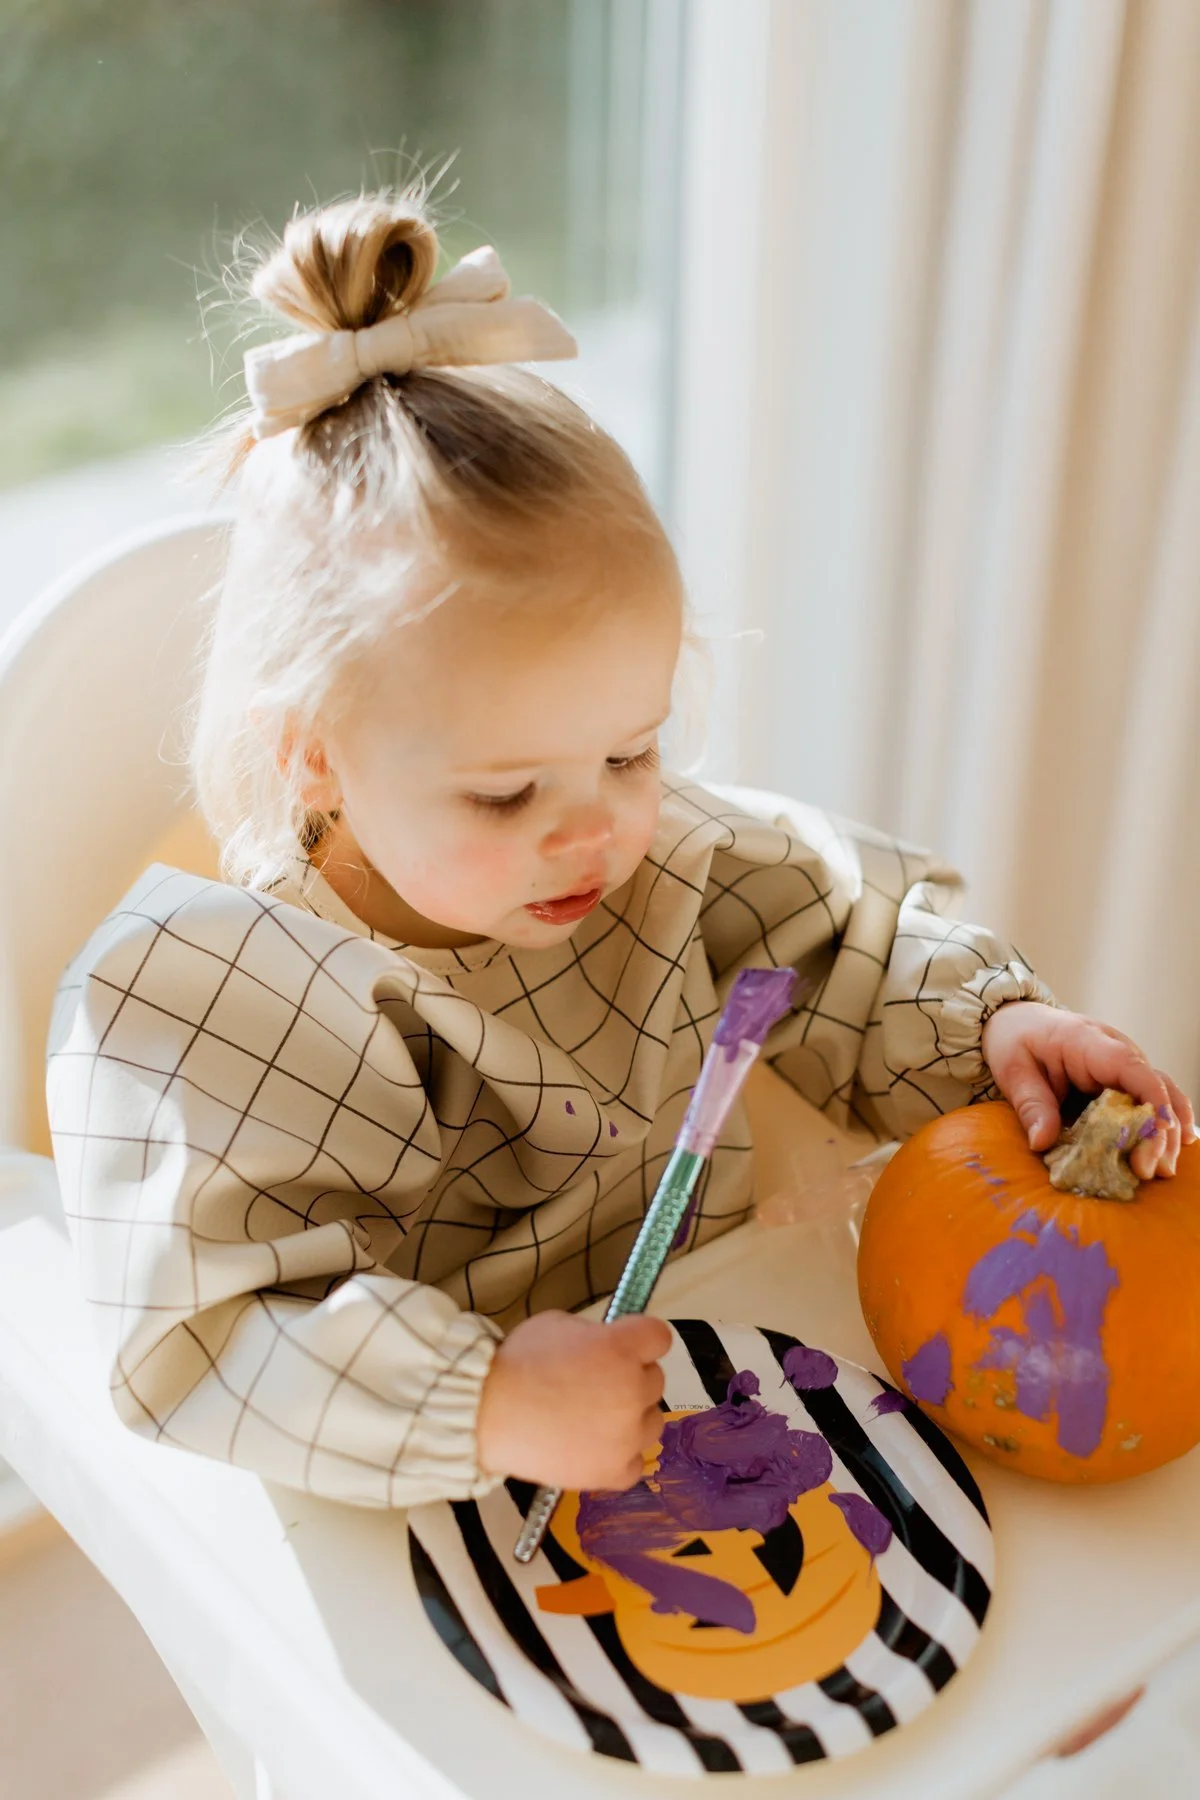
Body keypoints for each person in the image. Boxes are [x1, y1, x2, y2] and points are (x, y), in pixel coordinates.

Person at [45, 188, 1195, 1513]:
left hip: (718, 1404)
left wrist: (993, 1031)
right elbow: (203, 1337)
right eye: (504, 794)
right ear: (313, 753)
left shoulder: (667, 869)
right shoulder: (237, 1009)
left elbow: (847, 955)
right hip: (441, 1496)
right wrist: (482, 1403)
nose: (594, 829)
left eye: (631, 751)